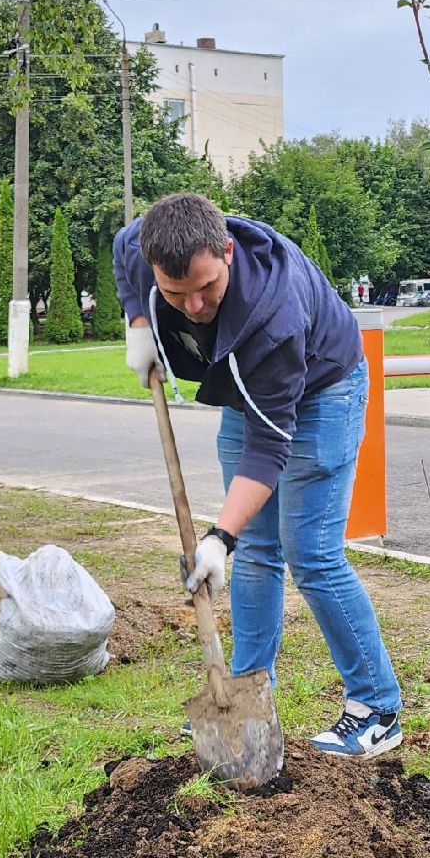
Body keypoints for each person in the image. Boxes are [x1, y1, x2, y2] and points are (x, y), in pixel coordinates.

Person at [114, 193, 402, 759]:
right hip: (243, 388)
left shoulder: (275, 318)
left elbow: (268, 449)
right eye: (175, 294)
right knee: (257, 550)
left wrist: (219, 537)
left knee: (311, 554)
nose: (194, 306)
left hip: (323, 388)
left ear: (227, 251)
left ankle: (377, 708)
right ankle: (245, 701)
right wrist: (140, 321)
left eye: (206, 287)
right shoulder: (146, 246)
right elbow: (125, 249)